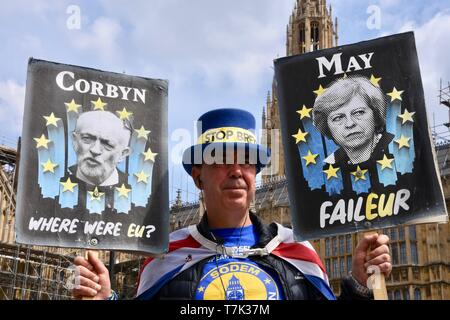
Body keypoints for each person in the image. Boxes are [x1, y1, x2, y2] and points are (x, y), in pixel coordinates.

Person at [72, 108, 392, 300]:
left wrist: (360, 287)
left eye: (246, 161)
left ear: (255, 174)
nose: (236, 170)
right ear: (198, 177)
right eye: (221, 159)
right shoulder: (166, 257)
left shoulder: (297, 251)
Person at [312, 75, 394, 166]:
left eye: (358, 112)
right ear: (327, 128)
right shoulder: (330, 166)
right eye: (338, 118)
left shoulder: (397, 150)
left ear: (375, 115)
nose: (350, 123)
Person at [71, 111, 131, 187]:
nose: (95, 150)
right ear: (75, 141)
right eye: (87, 138)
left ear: (122, 154)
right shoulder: (58, 180)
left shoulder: (133, 187)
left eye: (108, 144)